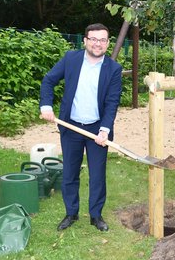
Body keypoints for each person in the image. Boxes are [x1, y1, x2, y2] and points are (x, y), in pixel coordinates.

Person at [40, 23, 122, 232]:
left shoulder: (113, 69)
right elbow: (48, 80)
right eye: (93, 39)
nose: (97, 44)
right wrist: (46, 106)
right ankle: (71, 213)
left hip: (97, 130)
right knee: (70, 172)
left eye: (102, 40)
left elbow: (112, 102)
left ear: (107, 43)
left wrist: (104, 129)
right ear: (85, 41)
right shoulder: (71, 59)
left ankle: (96, 215)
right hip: (71, 126)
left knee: (97, 175)